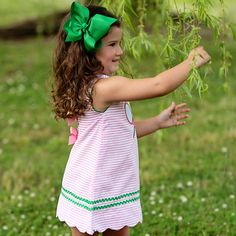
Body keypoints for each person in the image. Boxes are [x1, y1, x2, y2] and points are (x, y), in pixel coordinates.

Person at [51, 2, 211, 236]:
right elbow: (159, 85)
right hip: (97, 184)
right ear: (89, 49)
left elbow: (118, 131)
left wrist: (157, 122)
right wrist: (191, 61)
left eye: (120, 44)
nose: (120, 51)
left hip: (105, 181)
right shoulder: (104, 87)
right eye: (112, 45)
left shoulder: (88, 84)